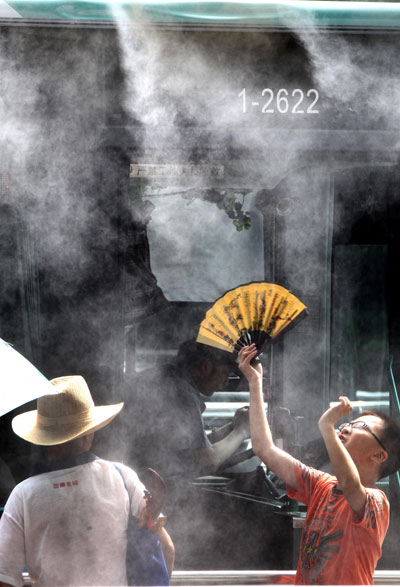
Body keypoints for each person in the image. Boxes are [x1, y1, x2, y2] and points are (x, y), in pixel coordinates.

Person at [239, 343, 400, 585]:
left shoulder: (377, 503)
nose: (346, 426)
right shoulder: (321, 485)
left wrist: (327, 428)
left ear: (379, 455)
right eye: (349, 422)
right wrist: (255, 382)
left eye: (360, 426)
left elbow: (350, 484)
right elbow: (265, 449)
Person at [0, 375, 174, 587]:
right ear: (89, 432)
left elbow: (5, 579)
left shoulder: (23, 495)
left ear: (44, 437)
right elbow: (166, 549)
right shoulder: (123, 478)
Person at [118, 339, 250, 480]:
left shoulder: (165, 377)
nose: (226, 382)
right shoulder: (181, 393)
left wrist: (233, 427)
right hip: (153, 484)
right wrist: (241, 431)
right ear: (205, 367)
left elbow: (189, 449)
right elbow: (207, 461)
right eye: (226, 373)